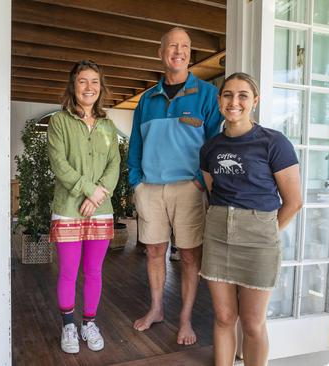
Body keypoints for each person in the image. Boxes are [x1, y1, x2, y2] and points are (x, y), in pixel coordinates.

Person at [127, 27, 223, 345]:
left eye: (184, 46)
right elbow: (136, 145)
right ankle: (156, 309)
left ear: (190, 53)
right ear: (161, 52)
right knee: (154, 252)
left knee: (189, 256)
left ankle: (185, 319)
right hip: (151, 187)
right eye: (171, 46)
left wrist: (200, 180)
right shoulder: (147, 99)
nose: (178, 51)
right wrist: (136, 181)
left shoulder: (207, 94)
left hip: (188, 187)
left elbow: (215, 143)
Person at [199, 72, 302, 365]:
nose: (234, 101)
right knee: (223, 317)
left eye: (243, 95)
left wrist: (264, 232)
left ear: (254, 101)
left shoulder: (274, 142)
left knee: (253, 324)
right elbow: (213, 191)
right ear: (219, 101)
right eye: (228, 95)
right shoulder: (211, 148)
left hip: (259, 239)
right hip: (218, 234)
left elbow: (294, 202)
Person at [47, 60, 120, 354]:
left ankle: (89, 322)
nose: (89, 87)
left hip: (101, 209)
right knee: (68, 271)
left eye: (94, 82)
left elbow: (114, 163)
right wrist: (89, 190)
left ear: (100, 87)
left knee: (93, 271)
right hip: (67, 208)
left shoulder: (108, 125)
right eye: (83, 81)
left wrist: (97, 197)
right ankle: (68, 324)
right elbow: (59, 164)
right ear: (73, 85)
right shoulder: (58, 121)